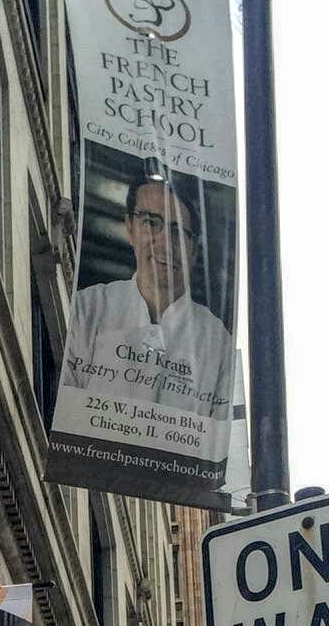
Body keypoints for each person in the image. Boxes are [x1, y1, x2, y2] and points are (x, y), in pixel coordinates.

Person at [59, 173, 234, 444]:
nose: (165, 242)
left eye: (178, 232)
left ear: (194, 249)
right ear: (130, 228)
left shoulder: (216, 341)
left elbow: (217, 442)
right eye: (151, 223)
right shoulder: (88, 307)